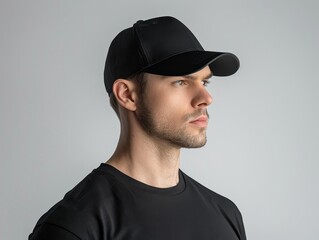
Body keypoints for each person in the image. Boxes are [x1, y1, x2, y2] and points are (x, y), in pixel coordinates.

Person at [29, 16, 246, 240]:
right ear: (127, 95)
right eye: (181, 82)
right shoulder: (75, 227)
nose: (206, 98)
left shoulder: (226, 214)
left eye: (205, 82)